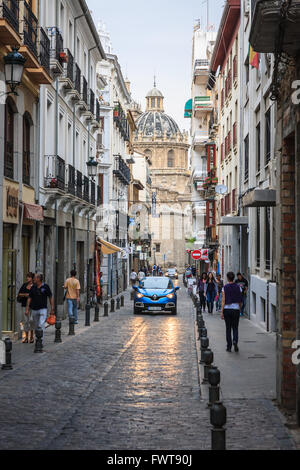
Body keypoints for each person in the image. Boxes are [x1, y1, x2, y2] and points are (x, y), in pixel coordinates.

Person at [26, 274, 54, 342]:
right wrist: (27, 308)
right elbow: (29, 298)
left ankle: (40, 339)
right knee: (35, 325)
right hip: (34, 309)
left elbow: (50, 297)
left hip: (43, 309)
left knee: (41, 324)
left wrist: (52, 308)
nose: (33, 279)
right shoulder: (33, 287)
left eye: (35, 278)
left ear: (39, 279)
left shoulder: (46, 286)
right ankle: (37, 337)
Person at [221, 272, 243, 352]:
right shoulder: (238, 287)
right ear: (233, 278)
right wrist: (239, 308)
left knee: (228, 328)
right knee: (235, 327)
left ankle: (229, 346)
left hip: (227, 309)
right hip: (236, 309)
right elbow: (240, 300)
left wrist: (221, 311)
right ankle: (235, 341)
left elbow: (223, 300)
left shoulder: (225, 287)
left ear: (227, 278)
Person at [17, 272, 35, 344]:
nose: (27, 278)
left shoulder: (35, 286)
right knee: (25, 322)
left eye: (29, 277)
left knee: (31, 321)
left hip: (33, 306)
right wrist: (25, 295)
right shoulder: (24, 285)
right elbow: (19, 294)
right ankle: (26, 337)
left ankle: (32, 337)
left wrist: (30, 295)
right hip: (24, 305)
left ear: (32, 278)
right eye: (27, 277)